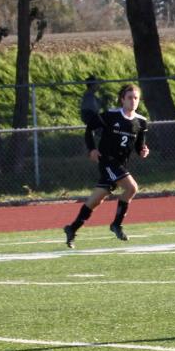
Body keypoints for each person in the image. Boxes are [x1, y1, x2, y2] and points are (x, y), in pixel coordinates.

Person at [62, 83, 149, 247]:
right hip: (108, 161)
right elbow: (89, 129)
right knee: (132, 188)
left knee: (96, 200)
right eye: (129, 97)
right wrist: (92, 149)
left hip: (121, 164)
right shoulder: (111, 115)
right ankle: (116, 224)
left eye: (136, 98)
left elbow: (139, 147)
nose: (133, 101)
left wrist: (144, 150)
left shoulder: (141, 122)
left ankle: (72, 228)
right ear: (122, 99)